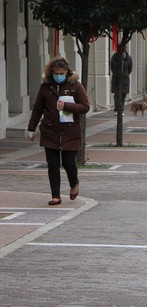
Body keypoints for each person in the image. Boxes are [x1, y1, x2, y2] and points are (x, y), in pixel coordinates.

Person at [27, 56, 90, 205]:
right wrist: (31, 128)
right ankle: (55, 195)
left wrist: (67, 107)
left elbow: (85, 107)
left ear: (67, 72)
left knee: (69, 163)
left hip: (70, 132)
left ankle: (74, 183)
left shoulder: (76, 86)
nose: (59, 76)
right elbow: (37, 109)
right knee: (52, 164)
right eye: (56, 73)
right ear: (51, 72)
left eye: (62, 73)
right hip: (50, 131)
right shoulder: (46, 87)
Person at [110, 48, 133, 115]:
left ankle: (121, 109)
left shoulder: (128, 58)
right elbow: (112, 67)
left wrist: (125, 74)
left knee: (123, 95)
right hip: (116, 79)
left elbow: (130, 69)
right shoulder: (114, 57)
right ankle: (116, 109)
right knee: (116, 95)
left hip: (125, 79)